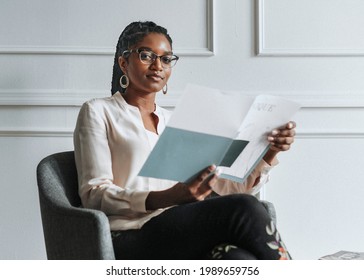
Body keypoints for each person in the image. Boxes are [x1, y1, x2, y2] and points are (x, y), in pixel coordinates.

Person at [73, 21, 296, 260]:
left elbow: (225, 189)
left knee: (236, 259)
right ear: (124, 63)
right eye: (147, 55)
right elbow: (94, 194)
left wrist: (269, 152)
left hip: (181, 230)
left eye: (166, 59)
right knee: (245, 208)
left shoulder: (174, 122)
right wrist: (168, 197)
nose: (158, 65)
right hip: (130, 235)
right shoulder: (98, 111)